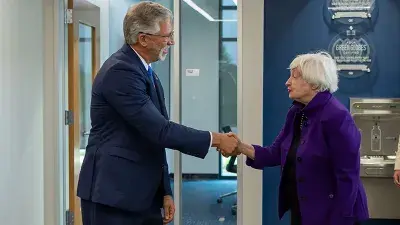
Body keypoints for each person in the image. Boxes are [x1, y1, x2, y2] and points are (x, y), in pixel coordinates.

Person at [76, 2, 237, 225]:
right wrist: (216, 139)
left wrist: (165, 190)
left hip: (142, 194)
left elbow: (152, 137)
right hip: (113, 196)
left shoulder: (145, 70)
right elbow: (160, 130)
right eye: (166, 35)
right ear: (143, 38)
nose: (171, 41)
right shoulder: (120, 72)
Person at [229, 52, 369, 225]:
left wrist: (340, 220)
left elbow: (348, 176)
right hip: (304, 208)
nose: (287, 82)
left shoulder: (337, 117)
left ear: (314, 82)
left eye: (294, 77)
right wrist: (241, 146)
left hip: (333, 214)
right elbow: (274, 153)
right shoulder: (297, 112)